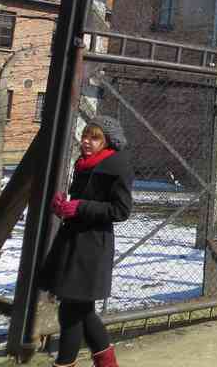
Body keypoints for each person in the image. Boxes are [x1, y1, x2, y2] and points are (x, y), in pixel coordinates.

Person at [39, 117, 132, 367]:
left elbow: (121, 211)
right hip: (73, 242)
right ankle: (107, 364)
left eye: (94, 137)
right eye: (85, 136)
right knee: (81, 309)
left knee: (71, 310)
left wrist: (80, 207)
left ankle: (65, 363)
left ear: (108, 141)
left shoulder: (116, 165)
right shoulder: (84, 163)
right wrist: (64, 207)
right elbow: (80, 204)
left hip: (92, 246)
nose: (86, 142)